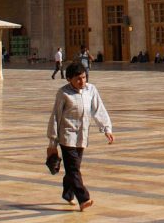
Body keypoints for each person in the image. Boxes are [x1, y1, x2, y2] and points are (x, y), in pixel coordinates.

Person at [47, 62, 114, 212]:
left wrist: (106, 129)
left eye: (84, 77)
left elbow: (98, 109)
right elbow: (56, 117)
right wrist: (53, 141)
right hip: (67, 136)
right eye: (78, 79)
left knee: (74, 168)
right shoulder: (63, 93)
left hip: (82, 136)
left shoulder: (91, 90)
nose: (82, 81)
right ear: (69, 79)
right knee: (73, 169)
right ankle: (83, 199)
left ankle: (67, 193)